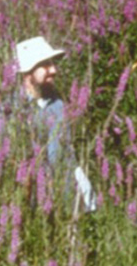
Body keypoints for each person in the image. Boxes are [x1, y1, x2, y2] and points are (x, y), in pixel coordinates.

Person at [12, 36, 97, 212]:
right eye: (46, 65)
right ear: (28, 72)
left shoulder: (58, 104)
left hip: (65, 198)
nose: (54, 70)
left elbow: (64, 152)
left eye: (53, 64)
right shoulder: (11, 110)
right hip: (32, 204)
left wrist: (80, 180)